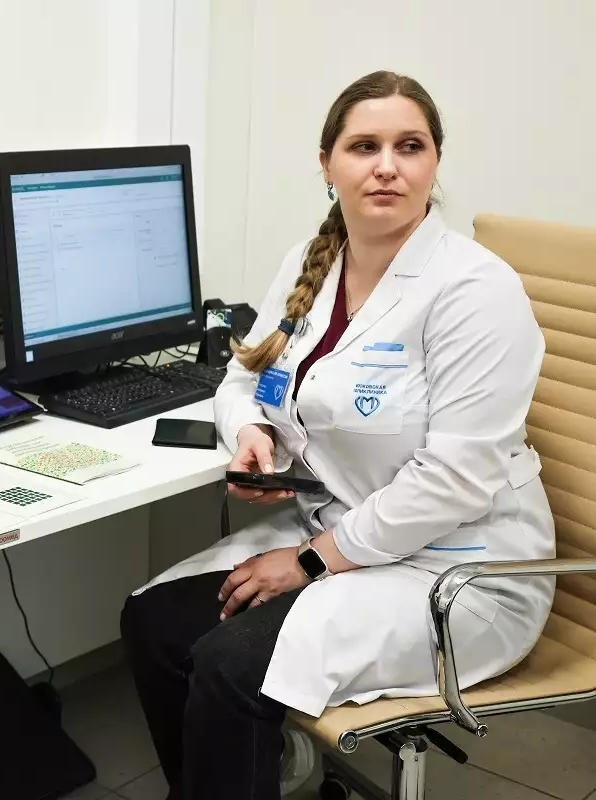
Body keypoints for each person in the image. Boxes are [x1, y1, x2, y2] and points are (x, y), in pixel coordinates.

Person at [120, 70, 555, 799]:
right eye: (364, 146)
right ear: (327, 164)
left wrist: (311, 561)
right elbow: (240, 382)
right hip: (347, 533)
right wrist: (252, 433)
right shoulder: (309, 262)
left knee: (231, 666)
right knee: (154, 622)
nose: (387, 165)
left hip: (460, 570)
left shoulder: (475, 290)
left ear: (434, 163)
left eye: (409, 146)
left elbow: (454, 481)